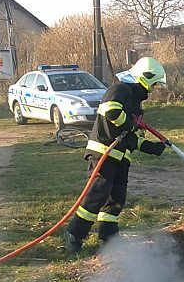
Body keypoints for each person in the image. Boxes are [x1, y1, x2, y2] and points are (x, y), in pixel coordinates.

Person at [63, 57, 169, 254]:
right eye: (153, 84)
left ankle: (109, 236)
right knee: (97, 195)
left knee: (116, 198)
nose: (153, 89)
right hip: (103, 152)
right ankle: (74, 234)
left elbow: (131, 138)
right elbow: (110, 111)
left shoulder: (136, 104)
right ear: (145, 78)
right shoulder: (120, 90)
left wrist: (149, 147)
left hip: (120, 157)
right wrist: (130, 124)